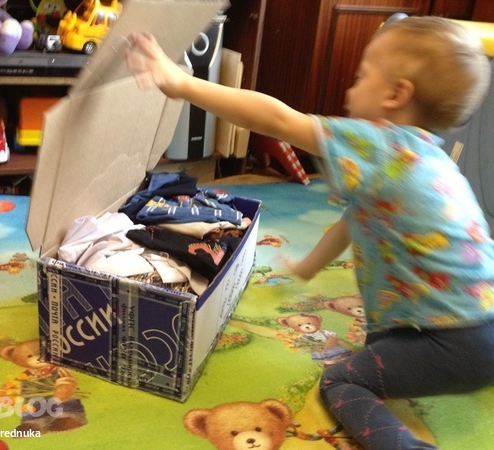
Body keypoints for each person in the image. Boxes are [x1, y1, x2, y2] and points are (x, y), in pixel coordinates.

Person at [126, 15, 494, 449]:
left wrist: (182, 84)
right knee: (378, 344)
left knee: (341, 381)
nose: (350, 90)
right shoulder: (426, 161)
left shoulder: (381, 143)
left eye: (361, 77)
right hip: (480, 324)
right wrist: (306, 267)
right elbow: (352, 222)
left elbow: (279, 120)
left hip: (454, 342)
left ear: (396, 95)